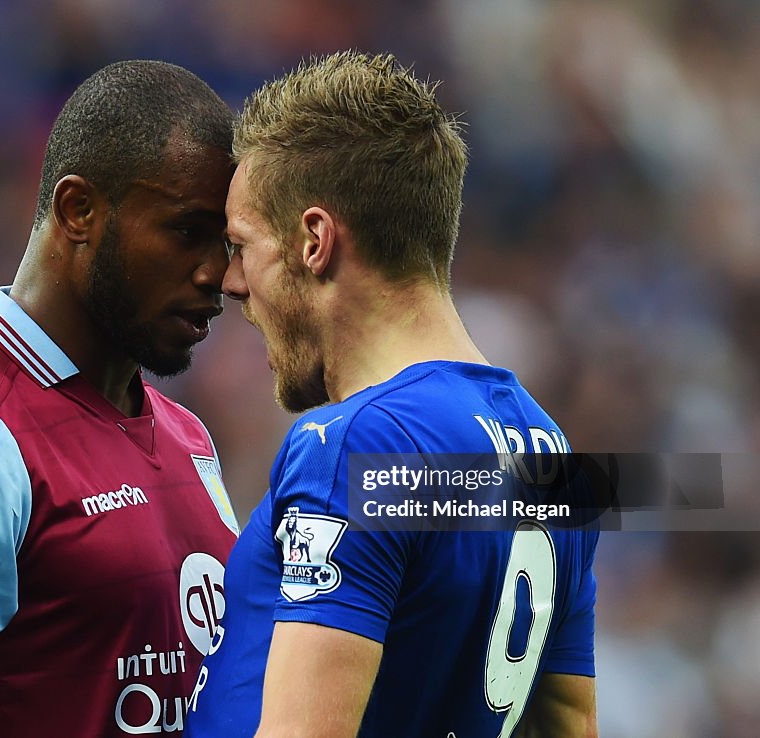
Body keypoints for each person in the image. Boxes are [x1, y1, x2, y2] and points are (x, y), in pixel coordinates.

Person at [184, 52, 599, 737]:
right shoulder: (548, 452)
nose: (231, 282)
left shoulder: (356, 445)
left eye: (242, 245)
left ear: (315, 240)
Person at [0, 60, 240, 738]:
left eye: (228, 244)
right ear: (78, 210)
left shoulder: (188, 438)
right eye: (186, 232)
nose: (218, 275)